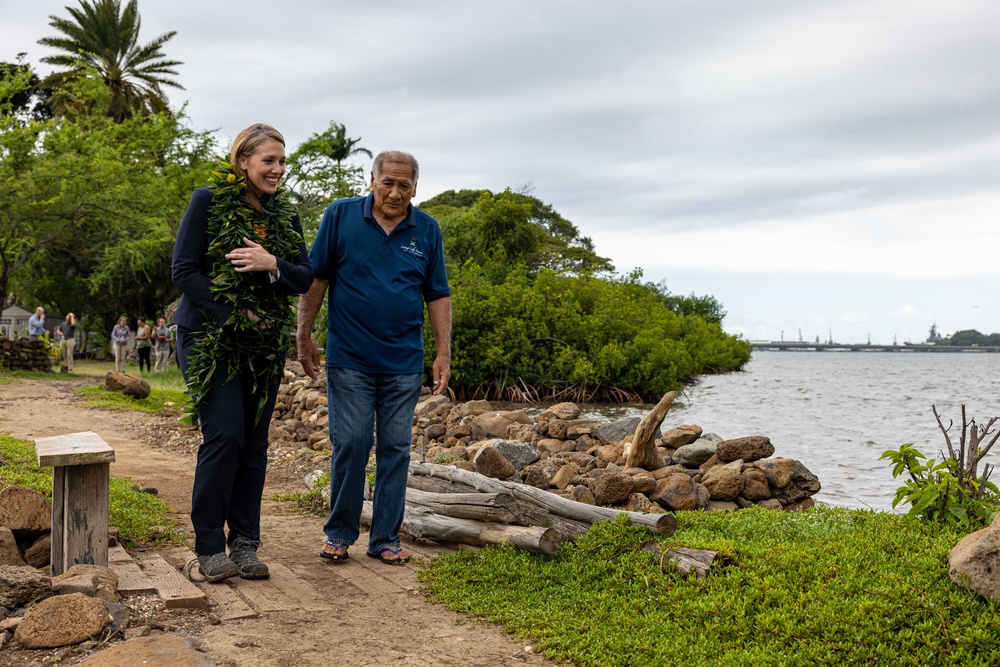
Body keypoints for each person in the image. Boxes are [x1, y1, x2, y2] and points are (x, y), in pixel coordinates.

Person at [296, 150, 451, 565]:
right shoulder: (340, 216)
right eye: (389, 182)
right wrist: (304, 335)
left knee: (396, 448)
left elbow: (437, 294)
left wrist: (443, 354)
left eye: (405, 185)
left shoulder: (427, 230)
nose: (396, 192)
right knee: (351, 442)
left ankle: (385, 538)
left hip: (403, 362)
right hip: (349, 357)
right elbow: (317, 279)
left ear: (415, 188)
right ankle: (340, 532)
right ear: (372, 180)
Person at [172, 123, 312, 583]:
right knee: (226, 435)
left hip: (264, 345)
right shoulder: (207, 201)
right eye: (268, 160)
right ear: (243, 161)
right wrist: (234, 312)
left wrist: (273, 264)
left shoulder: (285, 216)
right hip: (209, 337)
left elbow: (304, 277)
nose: (277, 169)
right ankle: (210, 545)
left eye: (282, 161)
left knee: (254, 443)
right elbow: (184, 270)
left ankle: (245, 543)